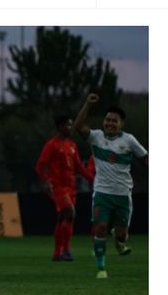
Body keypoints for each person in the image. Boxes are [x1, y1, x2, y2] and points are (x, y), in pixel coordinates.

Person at [73, 93, 148, 279]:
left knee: (122, 235)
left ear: (121, 124)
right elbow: (79, 127)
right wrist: (88, 105)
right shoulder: (97, 137)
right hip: (102, 193)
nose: (110, 123)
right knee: (100, 228)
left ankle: (119, 240)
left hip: (123, 195)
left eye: (114, 121)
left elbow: (146, 158)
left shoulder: (129, 140)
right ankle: (101, 268)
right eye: (107, 120)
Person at [36, 114, 94, 261]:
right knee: (70, 212)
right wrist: (44, 181)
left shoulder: (72, 145)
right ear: (60, 127)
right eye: (68, 125)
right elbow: (40, 165)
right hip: (58, 187)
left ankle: (58, 253)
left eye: (71, 124)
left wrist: (94, 180)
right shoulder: (52, 145)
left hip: (71, 187)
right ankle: (66, 250)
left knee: (63, 219)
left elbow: (79, 167)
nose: (71, 127)